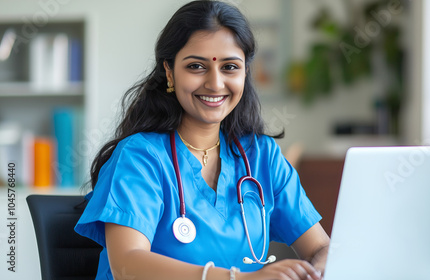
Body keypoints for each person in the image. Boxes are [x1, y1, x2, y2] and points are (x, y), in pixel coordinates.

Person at [75, 1, 330, 279]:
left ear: (245, 72)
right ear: (170, 72)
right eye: (196, 66)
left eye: (230, 67)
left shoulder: (262, 157)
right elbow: (127, 264)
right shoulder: (140, 157)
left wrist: (319, 270)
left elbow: (321, 247)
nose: (215, 83)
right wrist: (239, 279)